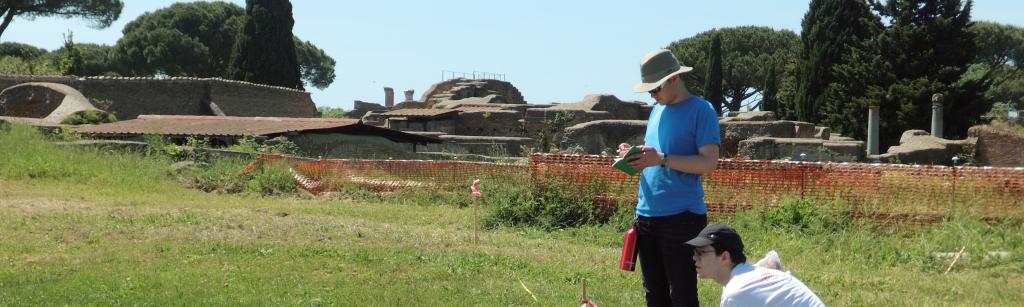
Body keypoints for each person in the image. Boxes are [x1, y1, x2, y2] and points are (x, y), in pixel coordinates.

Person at [621, 48, 721, 306]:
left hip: (682, 218)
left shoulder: (702, 110)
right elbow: (653, 156)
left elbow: (709, 162)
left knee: (682, 295)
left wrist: (662, 159)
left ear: (674, 78)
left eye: (655, 89)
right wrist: (634, 157)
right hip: (646, 215)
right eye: (650, 91)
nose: (653, 95)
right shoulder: (656, 111)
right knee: (654, 295)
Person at [686, 224, 826, 307]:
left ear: (724, 257)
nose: (694, 258)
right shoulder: (749, 275)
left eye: (701, 253)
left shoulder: (735, 292)